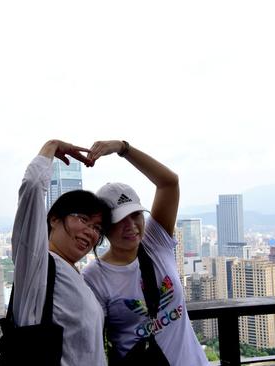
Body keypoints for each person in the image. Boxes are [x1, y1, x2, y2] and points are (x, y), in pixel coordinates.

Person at [83, 140, 210, 366]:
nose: (131, 225)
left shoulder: (155, 243)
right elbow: (91, 339)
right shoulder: (95, 276)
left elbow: (169, 183)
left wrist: (123, 148)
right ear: (103, 227)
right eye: (119, 220)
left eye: (135, 215)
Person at [11, 139, 112, 365]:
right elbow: (32, 188)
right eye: (83, 219)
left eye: (97, 228)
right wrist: (51, 146)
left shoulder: (75, 274)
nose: (90, 232)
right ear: (54, 219)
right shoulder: (39, 266)